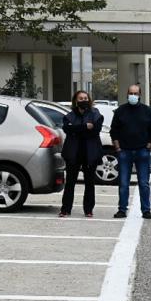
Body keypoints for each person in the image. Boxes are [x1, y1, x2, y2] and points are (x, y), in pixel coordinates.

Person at [109, 84, 151, 219]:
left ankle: (146, 210)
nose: (133, 96)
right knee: (123, 183)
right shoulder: (120, 111)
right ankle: (122, 209)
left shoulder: (147, 111)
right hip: (124, 152)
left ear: (140, 95)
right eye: (131, 93)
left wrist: (149, 145)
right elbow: (114, 131)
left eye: (136, 94)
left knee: (144, 183)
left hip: (142, 151)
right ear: (127, 94)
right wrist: (117, 147)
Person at [59, 90, 104, 218]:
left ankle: (88, 209)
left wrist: (77, 129)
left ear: (89, 100)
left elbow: (95, 130)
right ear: (76, 101)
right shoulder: (69, 115)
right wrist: (85, 127)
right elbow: (67, 129)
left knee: (90, 183)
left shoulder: (95, 114)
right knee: (70, 183)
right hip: (73, 153)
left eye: (85, 98)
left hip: (90, 153)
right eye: (80, 98)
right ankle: (65, 209)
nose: (83, 100)